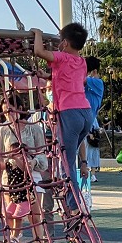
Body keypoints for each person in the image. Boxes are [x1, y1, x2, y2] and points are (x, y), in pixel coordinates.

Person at [31, 24, 92, 210]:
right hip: (86, 114)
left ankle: (73, 202)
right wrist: (49, 76)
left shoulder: (61, 57)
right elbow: (72, 79)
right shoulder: (82, 62)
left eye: (59, 41)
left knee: (67, 161)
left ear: (64, 43)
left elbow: (39, 51)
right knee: (69, 157)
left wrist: (38, 33)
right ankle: (70, 192)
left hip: (69, 113)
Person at [0, 93, 51, 243]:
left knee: (34, 216)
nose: (8, 115)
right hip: (10, 179)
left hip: (32, 177)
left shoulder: (34, 128)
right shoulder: (2, 130)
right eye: (5, 112)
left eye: (11, 111)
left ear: (21, 109)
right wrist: (7, 160)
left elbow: (42, 158)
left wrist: (30, 162)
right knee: (12, 216)